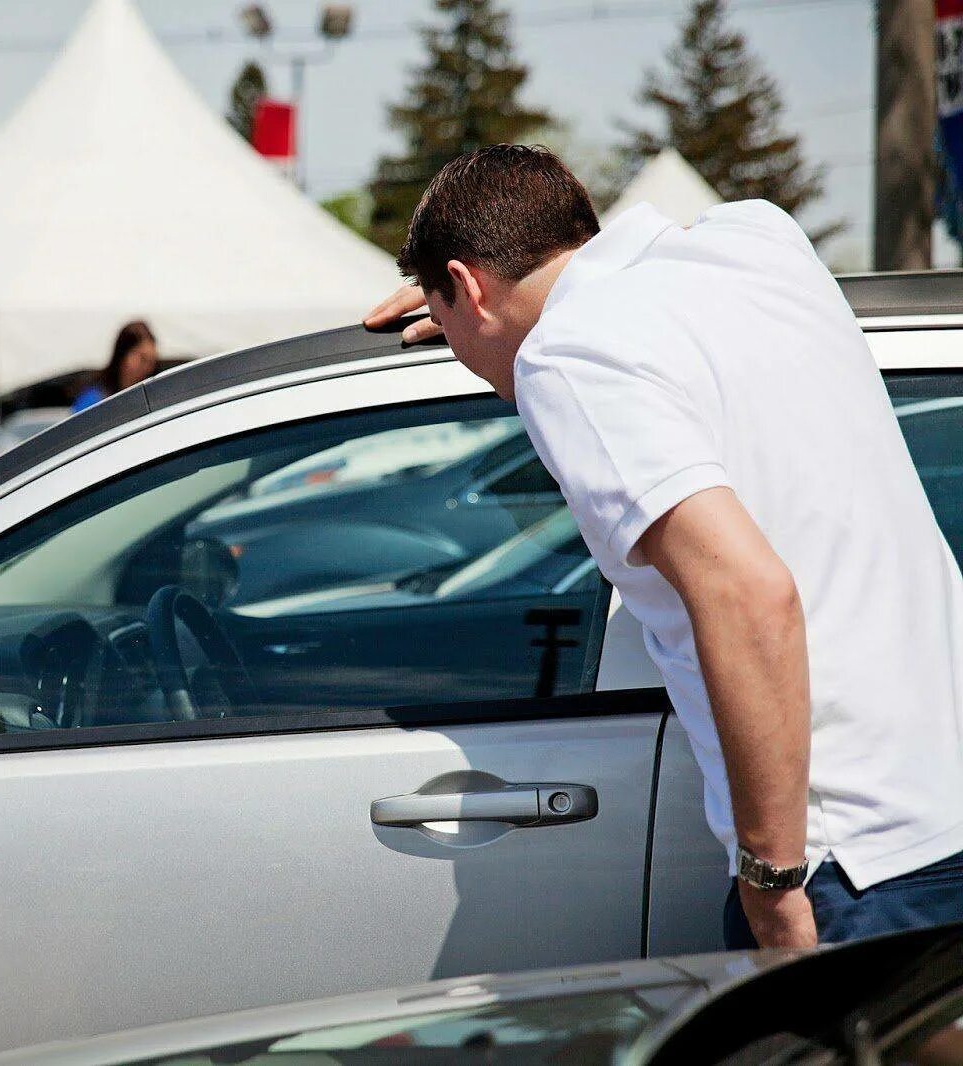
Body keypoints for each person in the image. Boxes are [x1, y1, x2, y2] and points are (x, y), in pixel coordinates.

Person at [365, 144, 963, 950]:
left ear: (468, 285)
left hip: (848, 863)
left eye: (451, 310)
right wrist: (463, 297)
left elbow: (750, 595)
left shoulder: (567, 359)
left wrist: (772, 886)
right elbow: (629, 269)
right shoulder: (759, 242)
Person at [72, 320, 159, 413]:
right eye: (143, 359)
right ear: (123, 355)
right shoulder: (93, 400)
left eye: (151, 362)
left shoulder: (153, 400)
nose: (148, 368)